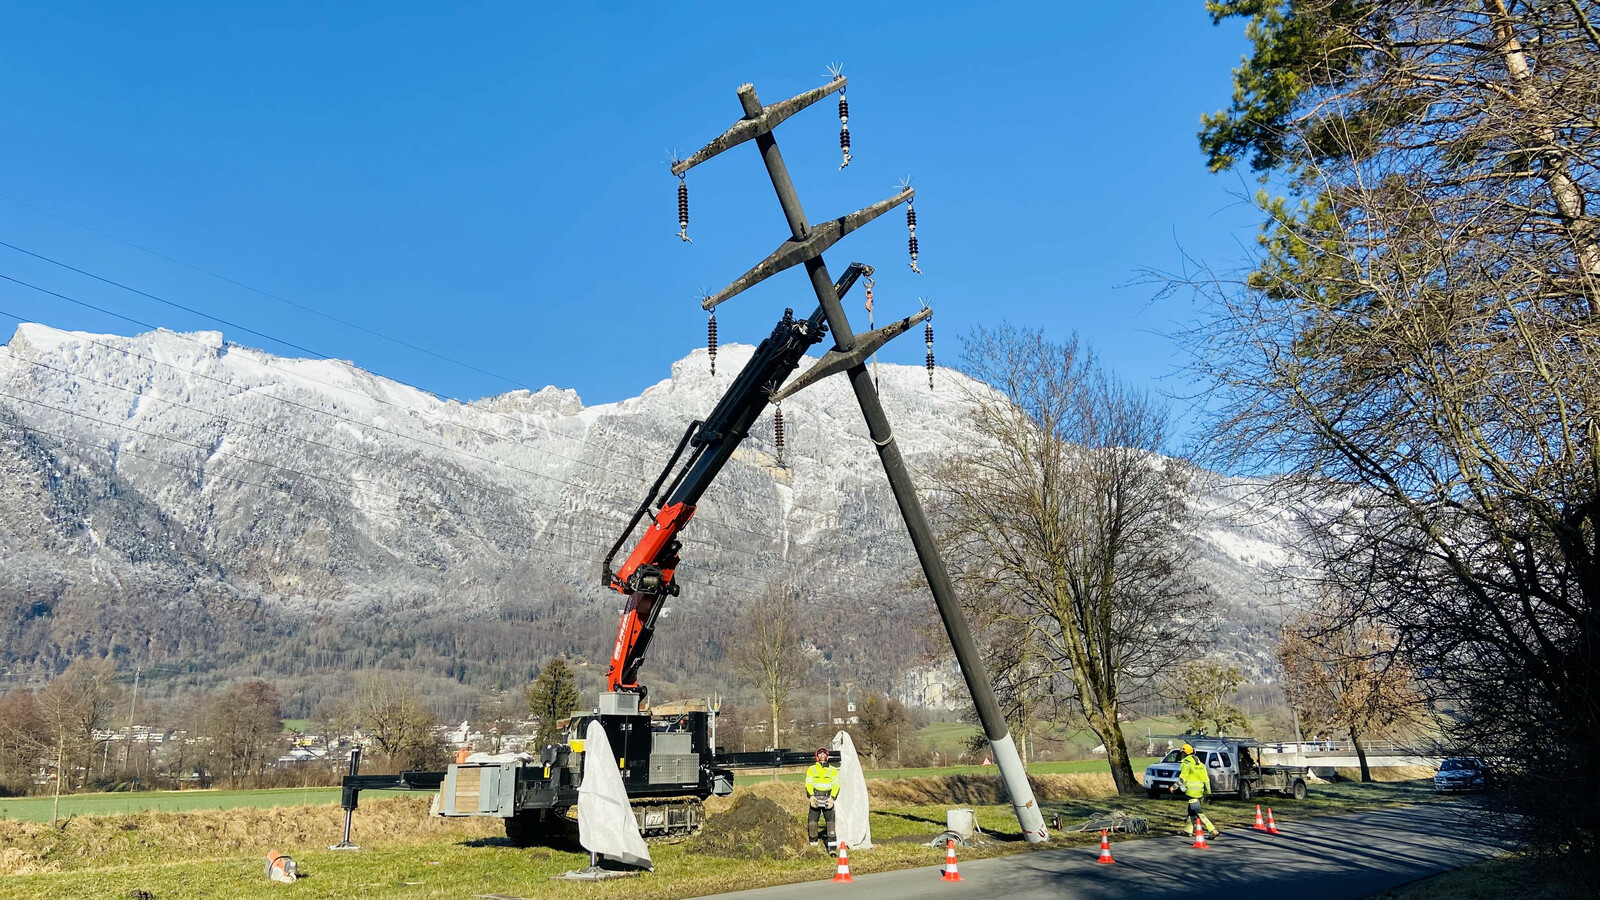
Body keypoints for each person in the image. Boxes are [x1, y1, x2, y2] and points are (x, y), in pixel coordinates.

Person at [1171, 742, 1217, 838]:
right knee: (1191, 810)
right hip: (1200, 791)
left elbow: (1183, 778)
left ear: (1184, 753)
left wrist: (1174, 787)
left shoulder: (1186, 763)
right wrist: (1208, 793)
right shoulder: (1201, 765)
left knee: (1198, 811)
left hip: (1191, 792)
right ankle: (1188, 830)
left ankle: (1212, 829)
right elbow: (1206, 780)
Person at [804, 746, 840, 849]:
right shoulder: (812, 769)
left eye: (824, 754)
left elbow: (836, 784)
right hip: (815, 797)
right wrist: (811, 797)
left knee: (830, 823)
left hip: (828, 798)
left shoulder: (833, 770)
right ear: (817, 756)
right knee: (812, 823)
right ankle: (813, 845)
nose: (822, 755)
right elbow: (808, 783)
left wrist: (832, 798)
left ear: (827, 756)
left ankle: (832, 847)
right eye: (820, 753)